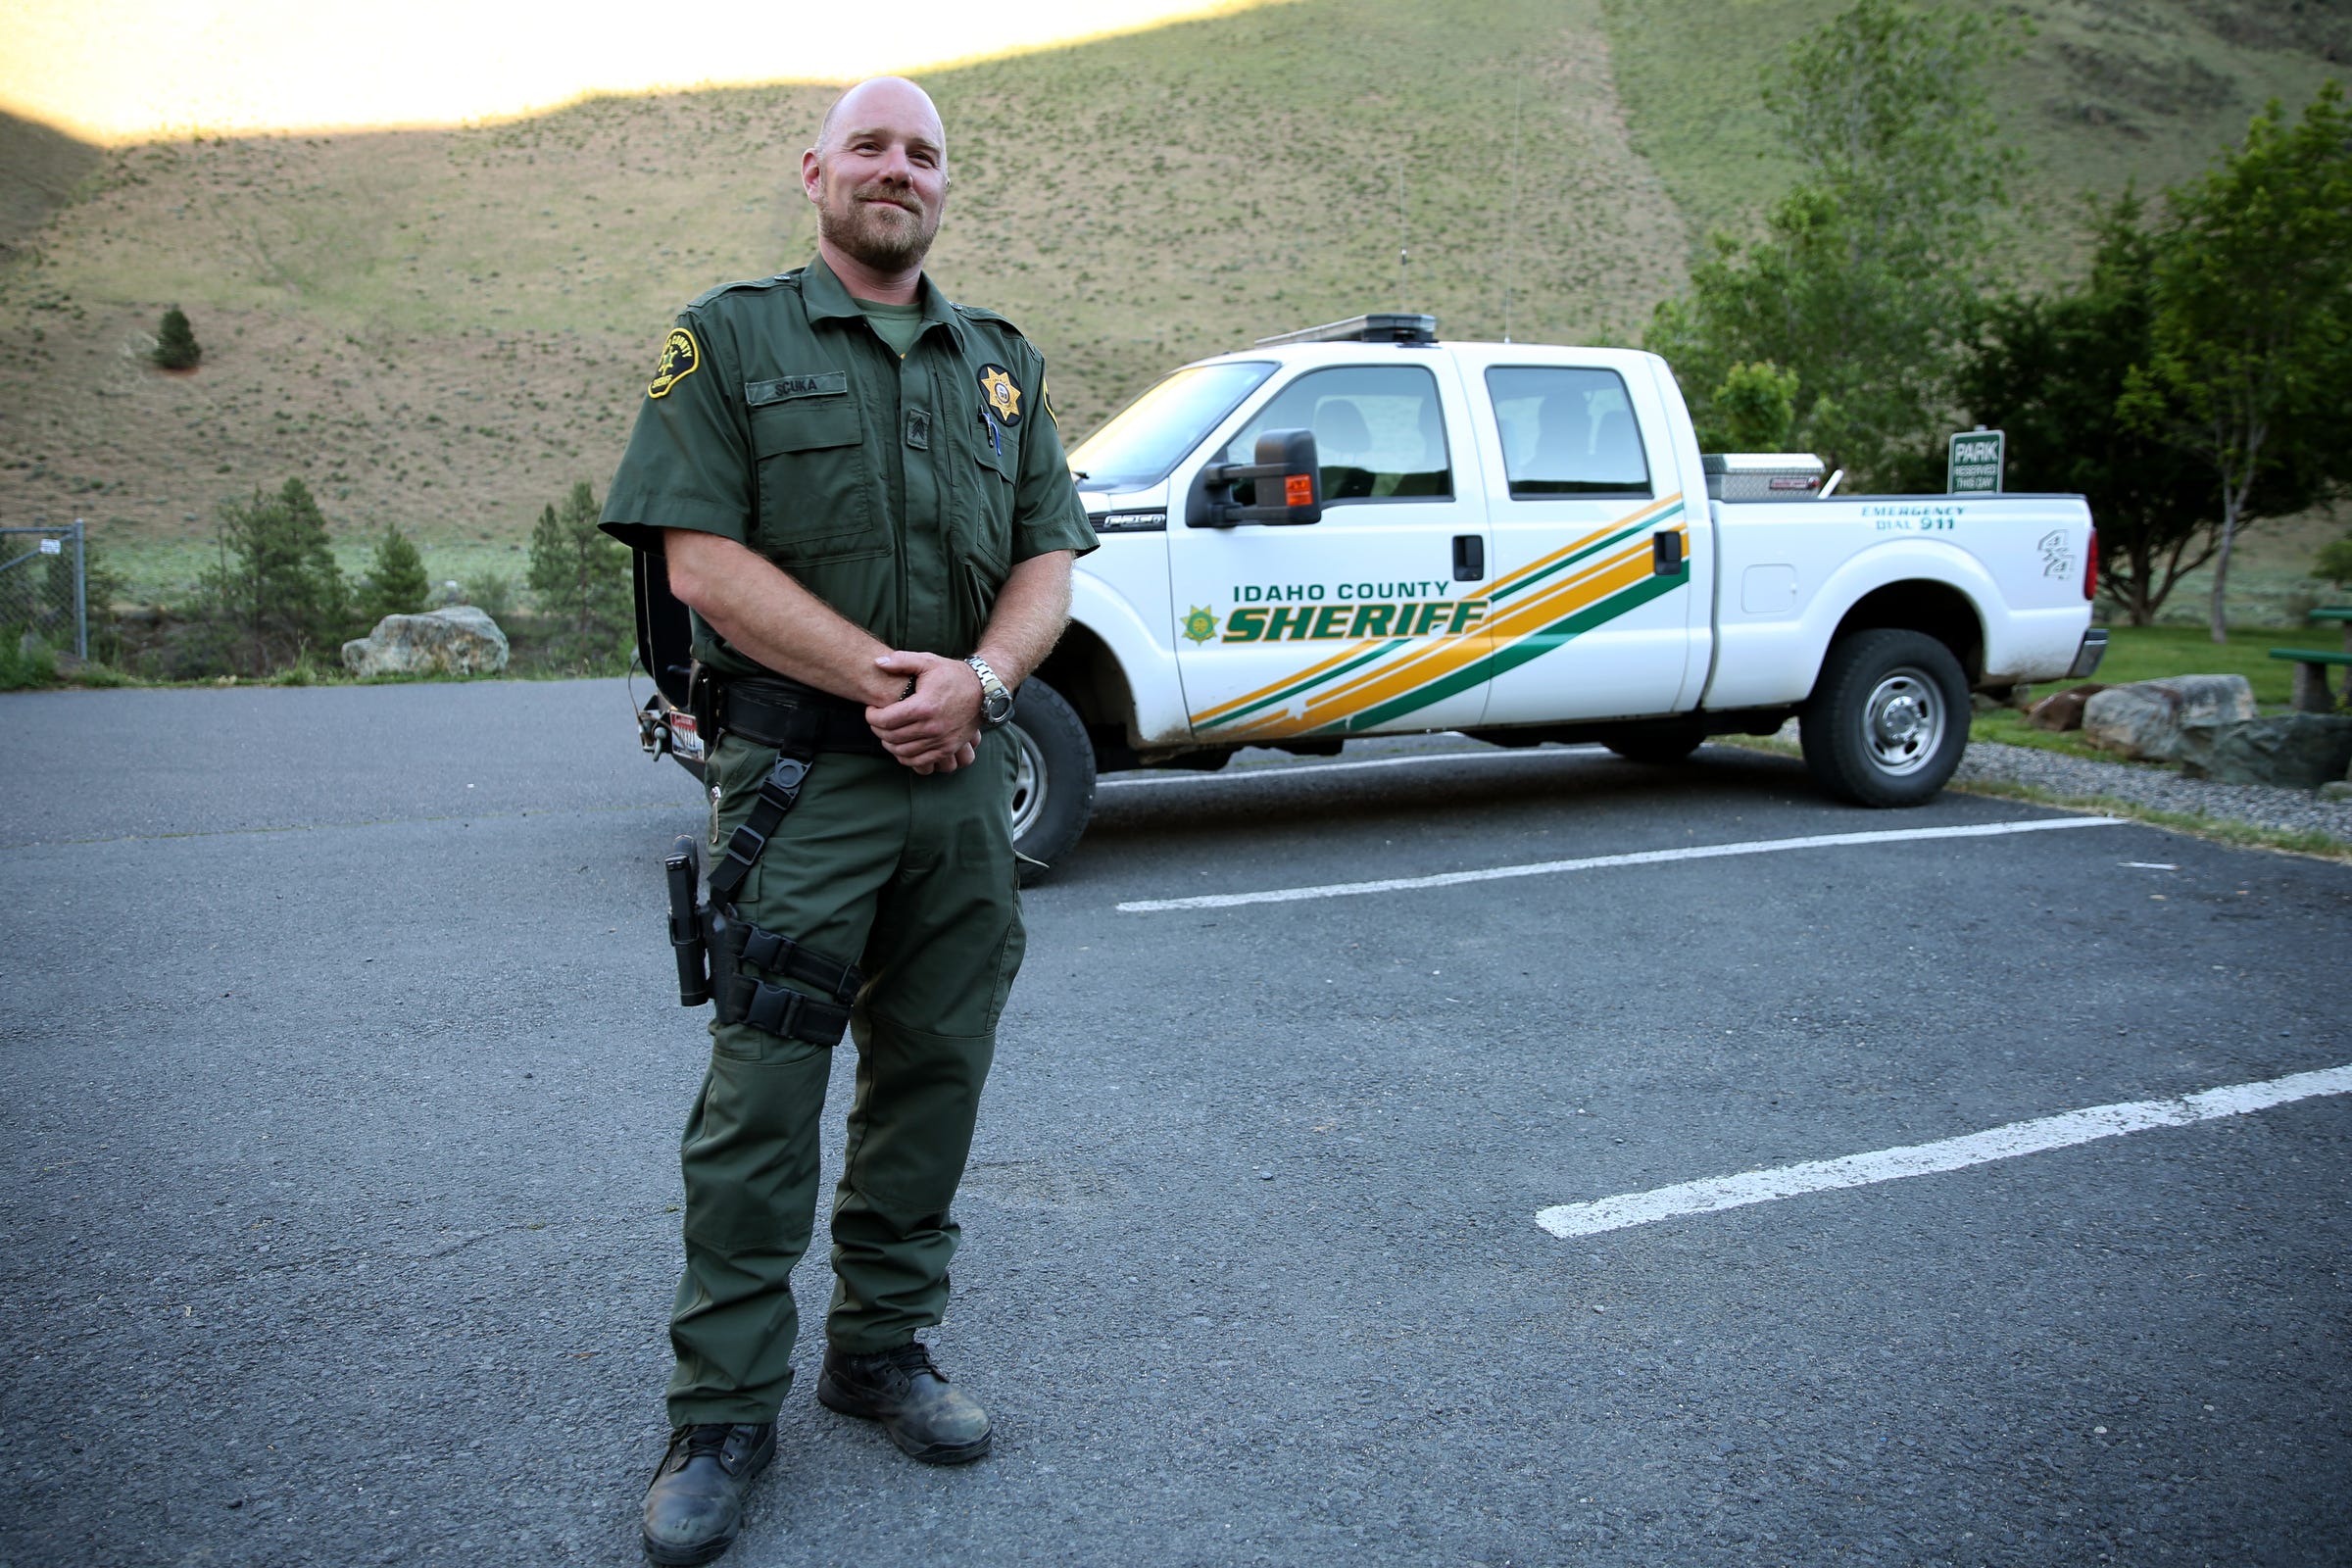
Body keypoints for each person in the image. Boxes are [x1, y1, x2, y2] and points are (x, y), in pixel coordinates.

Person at [599, 75, 1096, 1567]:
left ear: (946, 186)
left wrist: (986, 681)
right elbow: (701, 562)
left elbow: (1047, 562)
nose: (900, 170)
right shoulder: (732, 336)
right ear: (816, 168)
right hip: (803, 781)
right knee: (762, 1094)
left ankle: (880, 1348)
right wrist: (896, 681)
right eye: (873, 146)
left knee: (935, 1071)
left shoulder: (998, 362)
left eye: (924, 154)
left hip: (953, 789)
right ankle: (724, 1410)